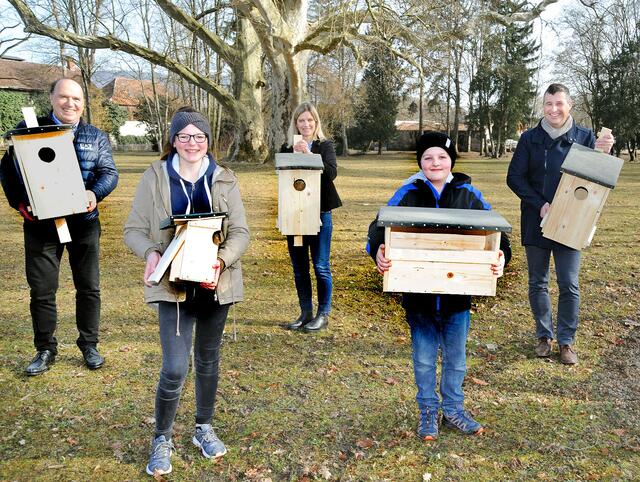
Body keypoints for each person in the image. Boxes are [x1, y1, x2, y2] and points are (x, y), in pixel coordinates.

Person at [124, 108, 249, 476]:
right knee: (176, 367)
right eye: (184, 136)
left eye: (199, 136)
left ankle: (203, 428)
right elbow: (133, 229)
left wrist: (222, 261)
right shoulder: (155, 177)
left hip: (215, 285)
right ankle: (162, 437)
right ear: (173, 140)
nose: (192, 143)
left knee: (208, 361)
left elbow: (240, 232)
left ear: (208, 141)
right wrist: (149, 252)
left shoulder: (225, 178)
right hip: (172, 287)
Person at [367, 131, 510, 441]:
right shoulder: (408, 192)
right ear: (420, 162)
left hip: (457, 299)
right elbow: (378, 227)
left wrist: (501, 256)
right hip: (418, 299)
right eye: (428, 157)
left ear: (451, 161)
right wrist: (377, 250)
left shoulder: (468, 194)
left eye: (442, 157)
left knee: (456, 359)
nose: (435, 162)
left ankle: (454, 409)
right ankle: (428, 410)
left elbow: (499, 233)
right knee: (423, 358)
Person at [0, 78, 118, 375]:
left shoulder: (95, 136)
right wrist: (19, 202)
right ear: (51, 98)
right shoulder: (29, 131)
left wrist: (95, 193)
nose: (71, 103)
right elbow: (9, 171)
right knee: (42, 290)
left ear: (83, 102)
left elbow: (109, 172)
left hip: (84, 224)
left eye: (77, 99)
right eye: (64, 97)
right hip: (41, 225)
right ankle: (44, 349)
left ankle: (89, 345)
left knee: (88, 287)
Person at [506, 83, 615, 365]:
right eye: (548, 104)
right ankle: (544, 335)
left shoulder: (585, 136)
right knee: (538, 282)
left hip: (572, 222)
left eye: (559, 103)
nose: (553, 109)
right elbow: (514, 178)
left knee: (569, 283)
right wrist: (539, 204)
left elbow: (598, 178)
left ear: (570, 105)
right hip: (536, 220)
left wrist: (604, 152)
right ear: (543, 106)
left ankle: (566, 341)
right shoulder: (530, 139)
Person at [280, 102, 342, 332]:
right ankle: (305, 312)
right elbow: (281, 173)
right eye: (301, 121)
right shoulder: (288, 147)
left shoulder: (325, 145)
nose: (306, 125)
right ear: (295, 124)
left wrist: (310, 155)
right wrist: (293, 155)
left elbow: (332, 172)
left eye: (310, 120)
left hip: (320, 212)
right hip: (294, 214)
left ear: (316, 122)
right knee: (299, 268)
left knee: (321, 265)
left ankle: (323, 314)